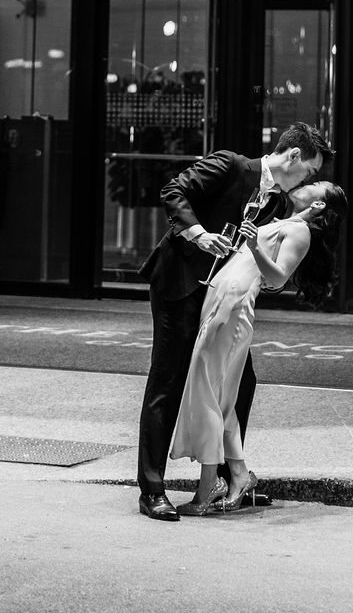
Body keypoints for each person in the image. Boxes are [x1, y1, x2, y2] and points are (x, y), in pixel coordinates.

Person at [136, 121, 331, 521]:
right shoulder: (231, 165)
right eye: (310, 170)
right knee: (168, 379)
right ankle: (152, 489)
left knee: (242, 380)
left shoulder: (280, 203)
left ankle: (231, 476)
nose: (308, 179)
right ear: (294, 155)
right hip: (181, 283)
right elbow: (173, 190)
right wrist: (198, 234)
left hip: (221, 299)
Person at [169, 180, 349, 515]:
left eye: (316, 183)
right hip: (222, 298)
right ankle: (238, 476)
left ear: (319, 205)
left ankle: (209, 486)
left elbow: (278, 278)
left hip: (235, 307)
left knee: (208, 392)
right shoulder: (285, 221)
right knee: (217, 395)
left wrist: (253, 245)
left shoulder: (300, 232)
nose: (307, 182)